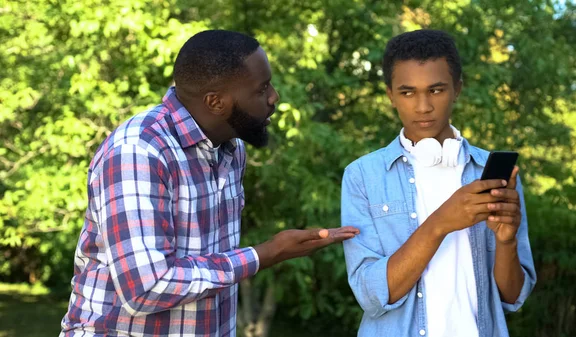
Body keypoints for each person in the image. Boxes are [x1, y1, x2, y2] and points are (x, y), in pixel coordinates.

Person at [59, 30, 359, 337]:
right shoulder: (138, 151)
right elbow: (145, 287)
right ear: (216, 102)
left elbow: (211, 267)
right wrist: (266, 254)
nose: (274, 97)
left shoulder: (230, 147)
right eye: (261, 89)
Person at [341, 29, 535, 337]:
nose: (422, 107)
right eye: (407, 92)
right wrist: (441, 222)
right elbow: (371, 296)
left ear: (457, 88)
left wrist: (506, 242)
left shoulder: (492, 172)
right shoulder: (362, 176)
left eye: (436, 90)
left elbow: (513, 298)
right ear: (390, 95)